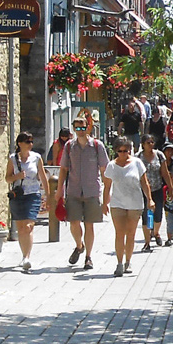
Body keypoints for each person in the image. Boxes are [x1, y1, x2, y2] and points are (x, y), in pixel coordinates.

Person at [56, 111, 109, 271]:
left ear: (88, 128)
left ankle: (88, 257)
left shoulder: (97, 146)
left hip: (92, 190)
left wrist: (106, 195)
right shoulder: (69, 146)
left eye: (82, 128)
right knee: (73, 223)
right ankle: (79, 246)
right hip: (73, 190)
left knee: (89, 225)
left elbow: (104, 170)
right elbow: (63, 169)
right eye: (77, 128)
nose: (80, 131)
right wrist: (59, 190)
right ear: (73, 129)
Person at [102, 138, 151, 277]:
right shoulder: (111, 165)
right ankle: (119, 263)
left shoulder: (137, 163)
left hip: (135, 203)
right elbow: (107, 186)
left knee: (131, 233)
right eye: (120, 151)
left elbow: (144, 183)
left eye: (126, 151)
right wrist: (104, 203)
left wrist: (150, 199)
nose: (123, 154)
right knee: (119, 233)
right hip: (117, 203)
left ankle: (128, 261)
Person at [5, 132, 52, 272]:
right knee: (21, 228)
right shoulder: (12, 159)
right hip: (18, 196)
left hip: (33, 195)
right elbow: (7, 178)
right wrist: (17, 176)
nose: (30, 144)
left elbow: (43, 178)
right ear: (20, 144)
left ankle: (27, 257)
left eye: (31, 141)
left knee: (29, 226)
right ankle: (23, 255)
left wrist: (48, 196)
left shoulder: (36, 158)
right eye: (27, 141)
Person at [136, 135, 172, 252]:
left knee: (158, 215)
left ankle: (155, 233)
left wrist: (170, 188)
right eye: (148, 142)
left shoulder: (159, 155)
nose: (151, 144)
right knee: (146, 216)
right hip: (143, 191)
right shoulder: (138, 157)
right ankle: (147, 242)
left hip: (157, 189)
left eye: (152, 142)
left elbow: (165, 173)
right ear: (143, 144)